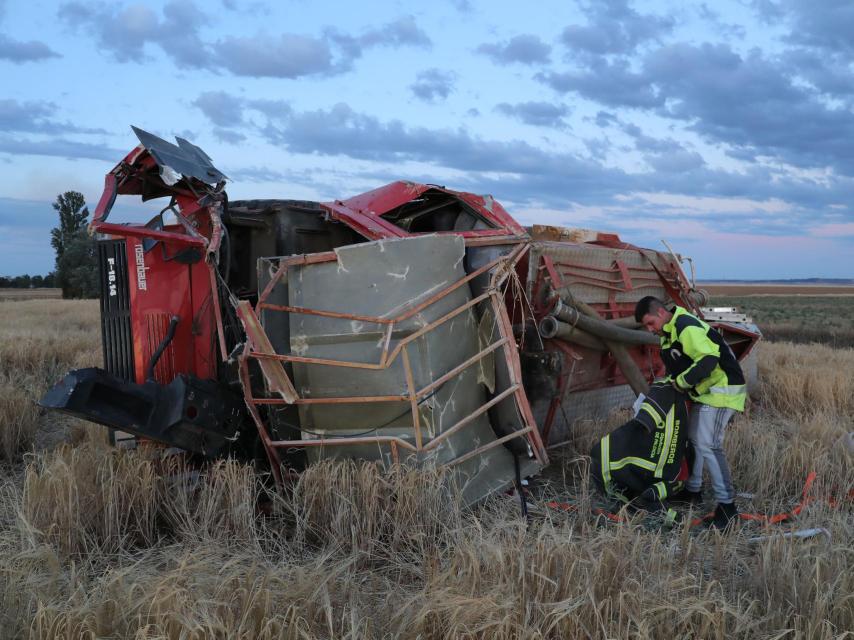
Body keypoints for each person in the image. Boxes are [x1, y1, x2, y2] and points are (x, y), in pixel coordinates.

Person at [634, 296, 746, 529]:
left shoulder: (685, 326)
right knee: (694, 440)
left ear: (662, 313)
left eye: (650, 323)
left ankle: (728, 508)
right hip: (706, 392)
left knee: (708, 445)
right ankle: (693, 491)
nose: (650, 329)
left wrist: (683, 382)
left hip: (722, 389)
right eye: (646, 327)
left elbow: (708, 360)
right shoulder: (669, 333)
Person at [590, 381, 690, 526]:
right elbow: (651, 496)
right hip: (614, 472)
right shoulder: (677, 478)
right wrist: (673, 519)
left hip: (609, 465)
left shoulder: (667, 389)